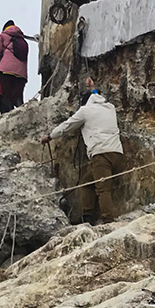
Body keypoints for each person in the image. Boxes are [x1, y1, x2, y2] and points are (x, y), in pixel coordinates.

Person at [42, 85, 125, 223]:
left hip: (101, 155)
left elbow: (67, 126)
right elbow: (96, 96)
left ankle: (108, 221)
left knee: (103, 189)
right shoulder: (110, 108)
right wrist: (93, 88)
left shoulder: (85, 111)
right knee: (87, 182)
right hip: (117, 154)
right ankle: (87, 215)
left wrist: (50, 136)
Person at [0, 20, 29, 114]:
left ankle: (7, 118)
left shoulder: (3, 35)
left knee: (6, 96)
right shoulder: (23, 40)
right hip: (21, 75)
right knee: (17, 97)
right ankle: (23, 116)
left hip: (6, 72)